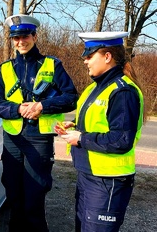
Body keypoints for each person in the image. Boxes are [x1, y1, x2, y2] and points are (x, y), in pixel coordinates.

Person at [0, 14, 78, 232]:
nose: (20, 42)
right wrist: (18, 109)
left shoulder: (52, 65)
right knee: (13, 195)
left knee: (34, 199)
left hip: (39, 140)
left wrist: (41, 107)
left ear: (35, 36)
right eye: (15, 38)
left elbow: (70, 98)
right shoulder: (5, 69)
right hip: (13, 141)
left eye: (25, 36)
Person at [54, 31, 146, 232]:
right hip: (89, 175)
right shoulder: (95, 87)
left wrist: (81, 138)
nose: (85, 61)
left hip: (108, 180)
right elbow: (98, 122)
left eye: (89, 56)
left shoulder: (122, 91)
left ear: (107, 56)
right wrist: (74, 126)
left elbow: (121, 140)